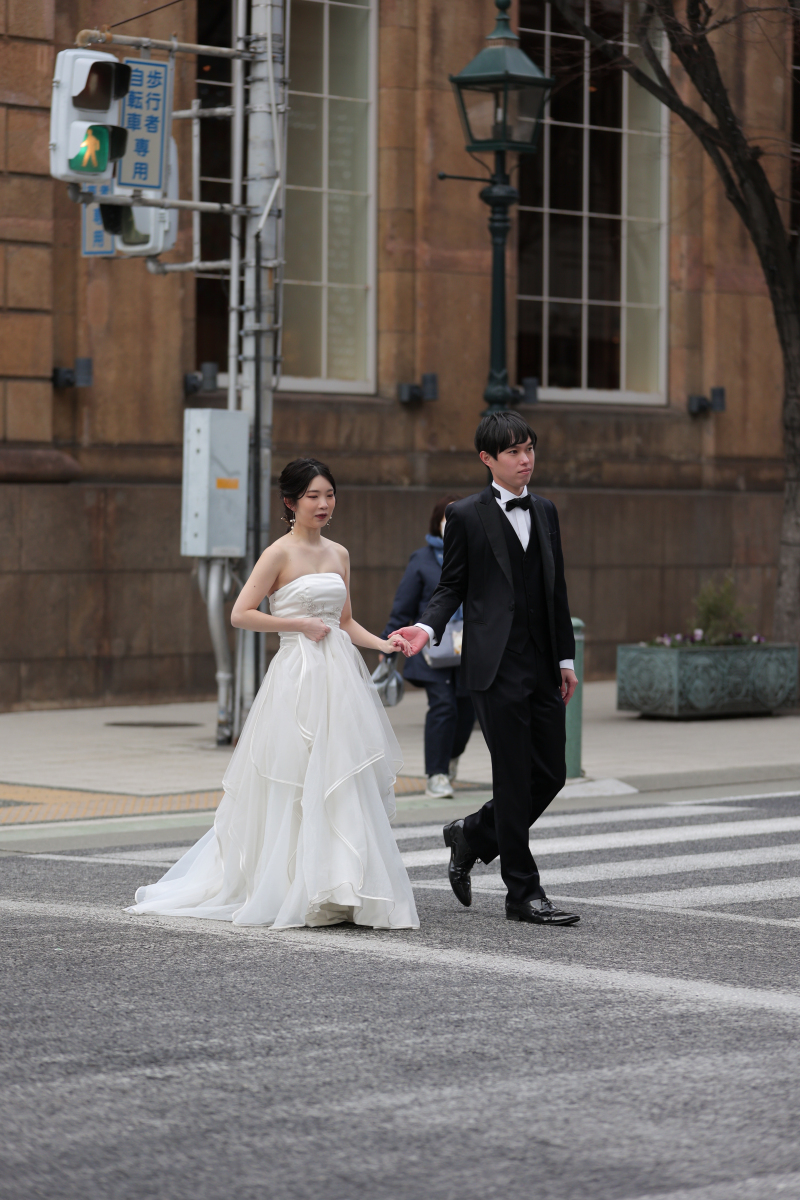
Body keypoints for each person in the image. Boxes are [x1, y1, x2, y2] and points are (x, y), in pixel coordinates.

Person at [127, 457, 418, 931]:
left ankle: (342, 888)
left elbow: (345, 622)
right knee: (295, 777)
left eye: (329, 495)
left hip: (339, 678)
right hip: (296, 677)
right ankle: (289, 886)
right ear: (290, 502)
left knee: (339, 775)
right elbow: (241, 613)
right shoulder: (277, 554)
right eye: (313, 496)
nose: (323, 504)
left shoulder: (340, 554)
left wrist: (385, 644)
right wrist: (297, 624)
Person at [394, 412, 581, 927]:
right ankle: (523, 893)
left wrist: (565, 659)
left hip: (542, 663)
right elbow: (451, 586)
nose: (525, 460)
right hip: (494, 666)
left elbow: (556, 589)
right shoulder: (465, 515)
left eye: (529, 449)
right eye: (514, 452)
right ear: (487, 459)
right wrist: (426, 628)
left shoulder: (545, 510)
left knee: (551, 773)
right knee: (514, 777)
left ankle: (472, 834)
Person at [382, 496, 475, 800]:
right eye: (449, 518)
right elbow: (403, 605)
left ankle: (450, 758)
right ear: (438, 523)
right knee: (443, 707)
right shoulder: (421, 560)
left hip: (470, 649)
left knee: (467, 712)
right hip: (430, 649)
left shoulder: (479, 555)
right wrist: (387, 643)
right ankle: (436, 774)